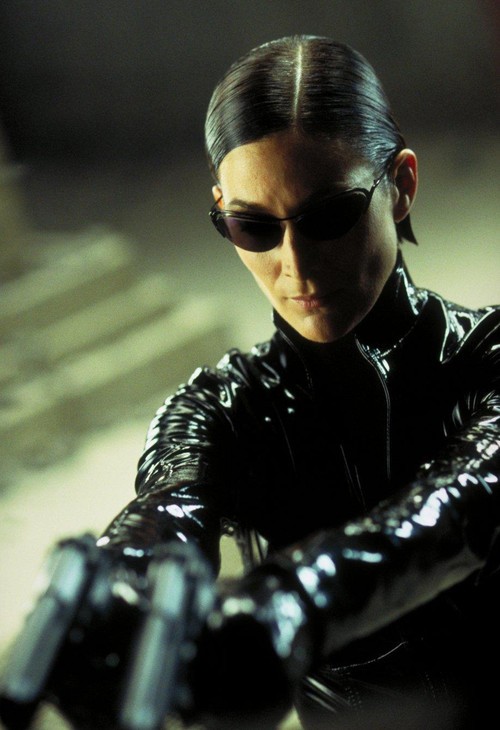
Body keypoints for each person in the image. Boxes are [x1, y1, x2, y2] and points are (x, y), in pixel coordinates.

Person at [15, 35, 500, 730]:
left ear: (402, 185)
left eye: (329, 215)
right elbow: (172, 502)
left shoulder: (490, 356)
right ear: (223, 209)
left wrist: (300, 598)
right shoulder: (220, 406)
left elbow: (458, 507)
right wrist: (127, 580)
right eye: (253, 226)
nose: (296, 265)